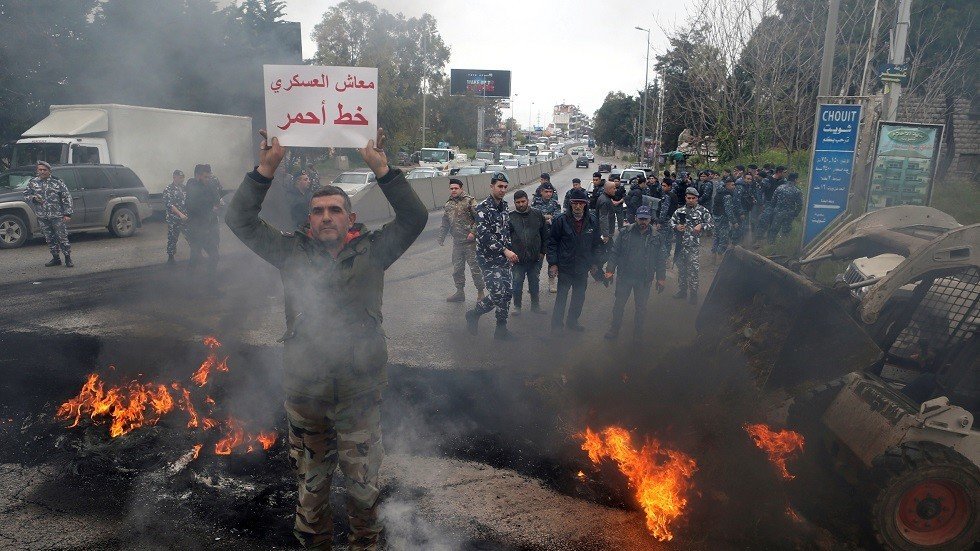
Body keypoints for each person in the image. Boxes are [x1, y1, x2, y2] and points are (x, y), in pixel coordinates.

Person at [225, 128, 426, 551]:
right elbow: (239, 220)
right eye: (318, 211)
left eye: (336, 210)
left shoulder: (374, 251)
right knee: (311, 493)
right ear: (308, 219)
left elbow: (414, 219)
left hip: (359, 394)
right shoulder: (289, 252)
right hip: (306, 396)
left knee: (363, 491)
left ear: (351, 218)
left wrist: (382, 169)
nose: (327, 217)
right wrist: (266, 169)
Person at [466, 172, 519, 340]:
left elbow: (505, 233)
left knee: (508, 292)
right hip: (488, 259)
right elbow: (485, 235)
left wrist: (509, 251)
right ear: (491, 187)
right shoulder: (482, 208)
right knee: (497, 294)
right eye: (499, 186)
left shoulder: (504, 207)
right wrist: (505, 250)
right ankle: (474, 314)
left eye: (505, 187)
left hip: (504, 259)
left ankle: (501, 329)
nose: (503, 190)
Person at [605, 206, 666, 340]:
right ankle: (614, 330)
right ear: (635, 218)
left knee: (641, 308)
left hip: (644, 279)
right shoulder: (624, 232)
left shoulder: (657, 236)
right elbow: (615, 252)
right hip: (625, 276)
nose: (643, 221)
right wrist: (610, 270)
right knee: (619, 305)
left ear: (650, 219)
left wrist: (661, 278)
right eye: (640, 218)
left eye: (646, 219)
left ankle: (638, 334)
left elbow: (661, 259)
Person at [547, 188, 604, 332]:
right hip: (565, 267)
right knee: (561, 298)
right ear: (570, 204)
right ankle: (556, 326)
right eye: (574, 203)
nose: (577, 206)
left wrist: (595, 263)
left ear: (585, 204)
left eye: (581, 203)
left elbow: (596, 244)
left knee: (579, 297)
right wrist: (553, 263)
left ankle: (572, 322)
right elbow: (552, 243)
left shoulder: (592, 221)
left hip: (583, 268)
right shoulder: (560, 220)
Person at [438, 179, 486, 303]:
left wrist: (473, 232)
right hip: (457, 243)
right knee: (457, 269)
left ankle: (480, 292)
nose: (453, 190)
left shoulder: (469, 201)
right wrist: (441, 236)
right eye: (451, 188)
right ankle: (460, 292)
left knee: (475, 269)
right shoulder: (448, 204)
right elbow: (445, 221)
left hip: (470, 243)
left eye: (456, 188)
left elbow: (479, 218)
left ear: (461, 189)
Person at [24, 161, 74, 267]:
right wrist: (33, 198)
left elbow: (66, 197)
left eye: (44, 170)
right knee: (49, 238)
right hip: (42, 216)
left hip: (57, 216)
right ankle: (56, 258)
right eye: (40, 170)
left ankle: (68, 258)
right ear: (37, 171)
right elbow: (26, 195)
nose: (42, 172)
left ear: (49, 171)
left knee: (62, 237)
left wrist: (67, 213)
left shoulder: (57, 182)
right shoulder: (33, 182)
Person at [670, 187, 713, 305]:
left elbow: (711, 225)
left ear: (697, 198)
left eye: (693, 198)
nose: (690, 200)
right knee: (682, 270)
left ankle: (693, 294)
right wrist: (676, 227)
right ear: (685, 198)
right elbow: (671, 222)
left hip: (693, 246)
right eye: (688, 198)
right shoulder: (680, 211)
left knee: (693, 270)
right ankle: (682, 291)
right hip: (681, 246)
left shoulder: (703, 210)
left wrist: (702, 225)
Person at [508, 190, 547, 315]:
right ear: (514, 203)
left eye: (523, 201)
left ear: (527, 201)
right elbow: (506, 238)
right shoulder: (510, 217)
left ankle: (535, 306)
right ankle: (517, 307)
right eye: (517, 202)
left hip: (535, 258)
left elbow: (545, 235)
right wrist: (509, 254)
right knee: (517, 283)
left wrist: (542, 252)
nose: (520, 204)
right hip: (517, 259)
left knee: (534, 282)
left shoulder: (537, 214)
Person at [184, 163, 222, 278]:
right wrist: (211, 208)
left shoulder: (209, 184)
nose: (208, 179)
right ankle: (192, 284)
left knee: (210, 256)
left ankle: (209, 284)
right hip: (197, 229)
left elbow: (216, 199)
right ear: (197, 176)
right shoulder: (191, 185)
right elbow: (194, 207)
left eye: (209, 177)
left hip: (208, 227)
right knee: (198, 256)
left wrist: (213, 205)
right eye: (205, 177)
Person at [531, 182, 561, 294]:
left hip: (551, 236)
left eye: (550, 192)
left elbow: (557, 218)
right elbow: (533, 218)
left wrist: (545, 218)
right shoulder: (536, 202)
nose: (548, 194)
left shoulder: (555, 203)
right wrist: (547, 217)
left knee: (552, 260)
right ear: (541, 192)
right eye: (546, 192)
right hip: (538, 237)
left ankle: (552, 282)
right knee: (537, 261)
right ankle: (534, 284)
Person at [765, 172, 804, 243]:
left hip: (778, 212)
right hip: (789, 213)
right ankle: (783, 246)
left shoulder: (779, 188)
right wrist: (795, 213)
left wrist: (773, 210)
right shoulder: (797, 191)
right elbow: (800, 204)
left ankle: (770, 244)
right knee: (786, 231)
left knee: (774, 229)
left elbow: (773, 201)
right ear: (795, 180)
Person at [710, 177, 740, 257]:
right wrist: (734, 222)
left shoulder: (719, 192)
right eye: (732, 185)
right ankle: (720, 257)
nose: (734, 187)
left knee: (716, 236)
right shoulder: (727, 196)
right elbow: (728, 210)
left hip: (716, 217)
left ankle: (713, 255)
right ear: (727, 185)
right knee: (724, 239)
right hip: (723, 219)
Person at [163, 169, 188, 264]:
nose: (182, 179)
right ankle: (171, 258)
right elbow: (170, 205)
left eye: (183, 177)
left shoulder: (185, 188)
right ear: (174, 177)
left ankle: (197, 254)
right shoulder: (168, 189)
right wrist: (180, 214)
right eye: (180, 177)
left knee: (191, 236)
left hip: (185, 218)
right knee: (172, 238)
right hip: (174, 219)